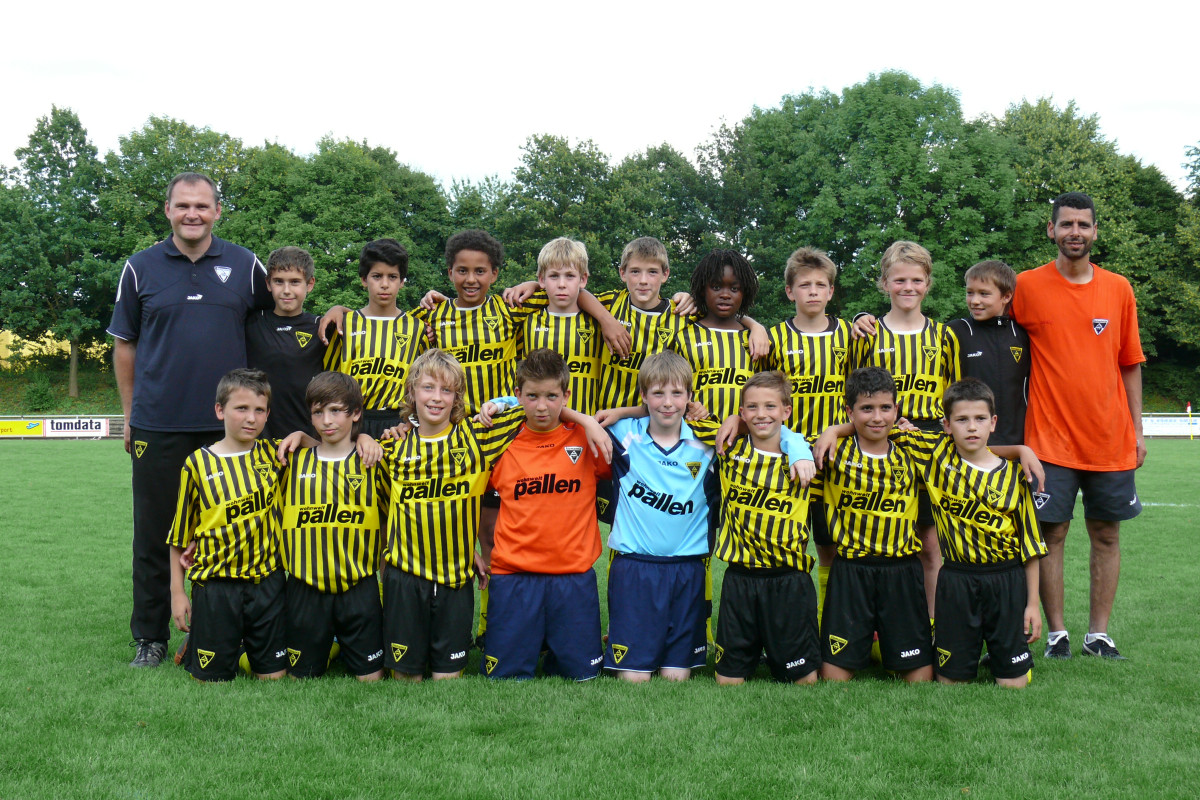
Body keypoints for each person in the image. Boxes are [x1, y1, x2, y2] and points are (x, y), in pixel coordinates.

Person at [108, 172, 271, 667]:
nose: (192, 214)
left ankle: (223, 628)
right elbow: (124, 345)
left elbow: (280, 323)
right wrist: (130, 413)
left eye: (202, 205)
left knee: (233, 533)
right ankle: (150, 636)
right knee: (154, 533)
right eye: (183, 205)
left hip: (229, 428)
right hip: (158, 424)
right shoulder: (140, 268)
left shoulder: (245, 265)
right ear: (167, 210)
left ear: (217, 211)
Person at [1011, 191, 1145, 660]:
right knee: (1051, 535)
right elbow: (988, 325)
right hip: (1048, 439)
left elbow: (1130, 363)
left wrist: (1138, 431)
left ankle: (1098, 635)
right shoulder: (1025, 286)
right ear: (1051, 229)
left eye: (1083, 225)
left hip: (1110, 439)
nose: (1075, 232)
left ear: (1094, 232)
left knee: (1106, 534)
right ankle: (1057, 634)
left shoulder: (1119, 288)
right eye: (1066, 224)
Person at [375, 350, 526, 681]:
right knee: (406, 679)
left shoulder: (476, 437)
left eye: (447, 390)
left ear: (457, 397)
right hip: (405, 577)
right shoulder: (392, 449)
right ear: (412, 391)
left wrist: (498, 404)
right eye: (428, 388)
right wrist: (362, 436)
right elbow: (384, 512)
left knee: (448, 679)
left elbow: (534, 401)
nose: (436, 398)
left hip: (455, 578)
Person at [892, 379, 1046, 687]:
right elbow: (877, 425)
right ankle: (966, 652)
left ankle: (1005, 656)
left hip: (1006, 580)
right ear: (947, 426)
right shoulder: (937, 456)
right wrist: (833, 431)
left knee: (1013, 684)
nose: (972, 427)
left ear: (993, 422)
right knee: (950, 682)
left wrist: (1032, 605)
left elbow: (1031, 547)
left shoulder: (1015, 475)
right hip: (957, 580)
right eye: (962, 420)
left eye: (980, 419)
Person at [479, 349, 613, 680]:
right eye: (532, 396)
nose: (542, 406)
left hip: (572, 576)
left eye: (552, 396)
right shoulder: (499, 439)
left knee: (583, 676)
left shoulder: (587, 438)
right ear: (518, 395)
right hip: (514, 575)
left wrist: (586, 420)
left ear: (566, 396)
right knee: (505, 677)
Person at [594, 351, 719, 682]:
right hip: (635, 568)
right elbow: (561, 414)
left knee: (676, 677)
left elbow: (763, 428)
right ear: (643, 395)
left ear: (690, 397)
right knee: (634, 678)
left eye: (677, 393)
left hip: (687, 570)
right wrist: (499, 404)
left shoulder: (708, 441)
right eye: (658, 393)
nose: (667, 403)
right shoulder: (623, 434)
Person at [850, 241, 959, 619]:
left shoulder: (944, 336)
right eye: (899, 280)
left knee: (930, 544)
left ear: (928, 283)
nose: (908, 287)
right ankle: (879, 625)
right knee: (880, 538)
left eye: (916, 280)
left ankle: (931, 625)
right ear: (884, 283)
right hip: (879, 437)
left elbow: (955, 396)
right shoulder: (867, 334)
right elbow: (854, 391)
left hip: (929, 440)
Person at [812, 367, 933, 683]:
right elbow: (776, 439)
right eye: (867, 408)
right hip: (851, 571)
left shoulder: (913, 447)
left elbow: (966, 445)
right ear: (849, 411)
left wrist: (1021, 451)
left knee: (919, 679)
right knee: (833, 678)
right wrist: (833, 431)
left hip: (902, 571)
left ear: (896, 409)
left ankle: (889, 646)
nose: (877, 417)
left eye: (885, 408)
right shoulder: (831, 450)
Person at [167, 369, 287, 682]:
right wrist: (177, 593)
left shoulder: (275, 455)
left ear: (268, 414)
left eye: (259, 410)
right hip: (216, 586)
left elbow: (323, 449)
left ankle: (242, 645)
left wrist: (301, 436)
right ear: (220, 410)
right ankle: (204, 639)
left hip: (267, 583)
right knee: (209, 680)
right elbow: (179, 537)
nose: (251, 418)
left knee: (274, 677)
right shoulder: (197, 464)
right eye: (241, 408)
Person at [709, 371, 819, 685]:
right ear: (742, 412)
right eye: (752, 407)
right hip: (740, 579)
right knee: (728, 681)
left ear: (786, 410)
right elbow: (673, 414)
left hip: (789, 580)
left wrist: (798, 445)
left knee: (804, 681)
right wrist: (732, 419)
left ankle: (781, 651)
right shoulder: (729, 449)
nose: (761, 414)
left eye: (770, 406)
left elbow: (857, 432)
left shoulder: (805, 457)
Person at [279, 372, 386, 681]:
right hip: (305, 587)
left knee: (371, 678)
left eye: (336, 411)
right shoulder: (291, 461)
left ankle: (339, 643)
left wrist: (364, 438)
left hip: (358, 585)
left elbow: (395, 515)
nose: (326, 420)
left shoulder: (372, 461)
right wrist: (300, 436)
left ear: (356, 413)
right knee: (299, 677)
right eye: (318, 412)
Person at [764, 246, 851, 622]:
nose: (812, 291)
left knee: (831, 545)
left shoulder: (851, 335)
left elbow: (864, 395)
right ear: (790, 291)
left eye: (820, 285)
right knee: (788, 544)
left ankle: (829, 622)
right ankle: (792, 623)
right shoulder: (774, 338)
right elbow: (763, 397)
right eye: (804, 285)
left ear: (831, 291)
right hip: (788, 458)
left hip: (838, 456)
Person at [324, 239, 427, 437]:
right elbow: (329, 380)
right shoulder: (343, 324)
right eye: (377, 276)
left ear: (402, 282)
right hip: (351, 421)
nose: (385, 284)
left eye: (392, 277)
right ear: (364, 279)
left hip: (398, 424)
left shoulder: (418, 328)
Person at [246, 246, 326, 439]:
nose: (287, 290)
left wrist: (339, 309)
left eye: (295, 282)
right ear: (268, 283)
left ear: (310, 284)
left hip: (307, 437)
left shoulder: (321, 327)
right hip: (259, 437)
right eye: (279, 282)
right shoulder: (251, 322)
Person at [946, 261, 1029, 446]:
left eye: (984, 294)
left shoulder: (1022, 335)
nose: (975, 301)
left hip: (1017, 444)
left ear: (1006, 296)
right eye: (970, 293)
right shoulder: (956, 331)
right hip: (968, 444)